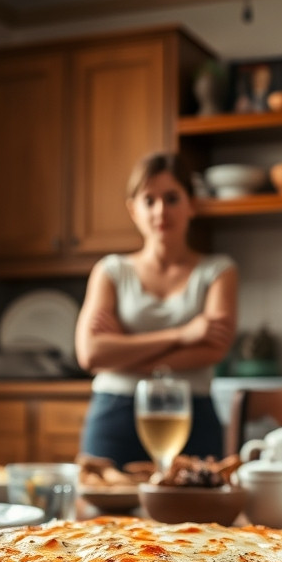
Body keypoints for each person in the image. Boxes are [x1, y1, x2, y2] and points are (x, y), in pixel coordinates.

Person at [75, 152, 239, 467]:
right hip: (114, 415)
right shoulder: (110, 271)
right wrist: (183, 334)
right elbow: (90, 354)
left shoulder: (219, 270)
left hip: (192, 416)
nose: (160, 210)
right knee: (102, 514)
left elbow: (213, 348)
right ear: (133, 210)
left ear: (192, 204)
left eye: (172, 198)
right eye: (149, 200)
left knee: (198, 513)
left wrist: (122, 351)